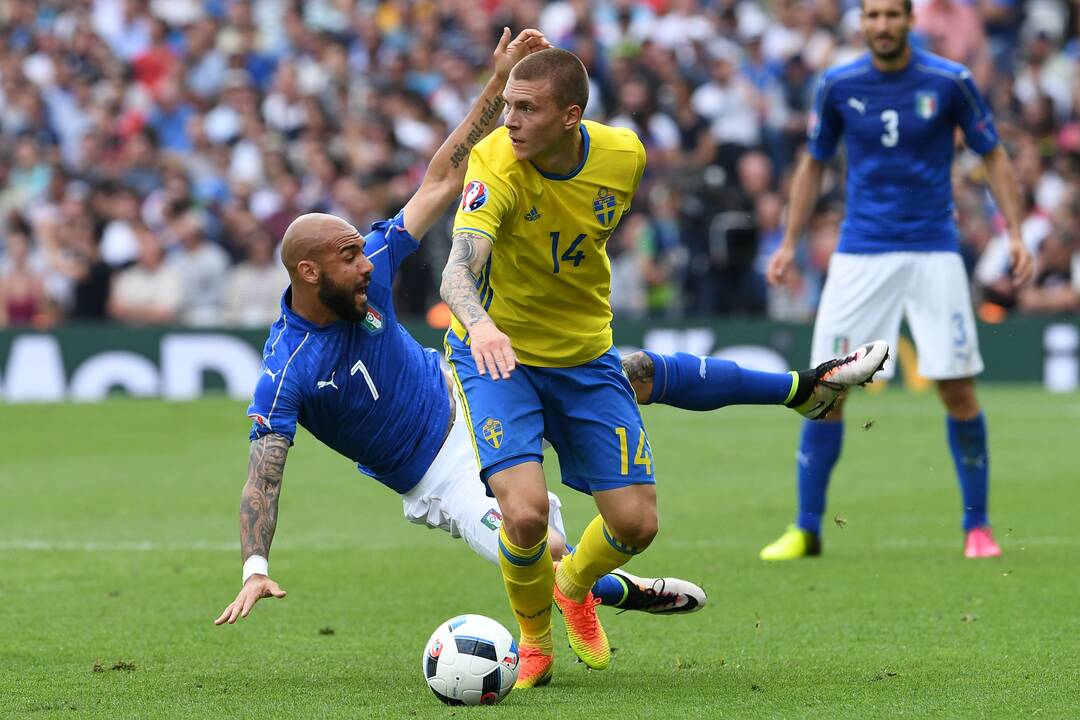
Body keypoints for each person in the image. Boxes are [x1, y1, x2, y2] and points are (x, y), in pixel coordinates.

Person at [214, 29, 709, 631]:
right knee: (542, 547)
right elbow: (263, 473)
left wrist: (498, 83)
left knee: (622, 375)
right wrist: (254, 566)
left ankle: (788, 389)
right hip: (435, 475)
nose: (367, 261)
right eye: (349, 256)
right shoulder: (287, 368)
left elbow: (443, 181)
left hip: (464, 388)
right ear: (310, 273)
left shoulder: (370, 268)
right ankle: (610, 589)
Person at [439, 47, 889, 688]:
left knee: (636, 523)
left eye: (525, 108)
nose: (507, 119)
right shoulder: (494, 164)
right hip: (496, 353)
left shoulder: (625, 156)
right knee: (527, 512)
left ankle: (573, 586)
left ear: (571, 117)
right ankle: (533, 642)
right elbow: (458, 268)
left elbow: (587, 230)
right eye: (507, 105)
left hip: (583, 351)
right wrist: (480, 323)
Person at [761, 0, 1033, 562]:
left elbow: (994, 155)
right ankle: (806, 529)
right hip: (860, 254)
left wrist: (1016, 235)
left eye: (892, 15)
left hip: (934, 250)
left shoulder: (949, 80)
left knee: (956, 389)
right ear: (862, 23)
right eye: (873, 15)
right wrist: (789, 241)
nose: (882, 25)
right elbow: (813, 162)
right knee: (825, 390)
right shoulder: (837, 84)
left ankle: (977, 529)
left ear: (911, 20)